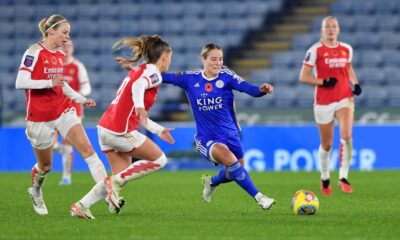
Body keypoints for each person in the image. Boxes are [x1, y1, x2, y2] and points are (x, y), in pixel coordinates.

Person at [116, 43, 276, 210]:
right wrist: (135, 69)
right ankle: (260, 198)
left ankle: (211, 181)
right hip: (207, 138)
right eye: (213, 59)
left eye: (220, 59)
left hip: (231, 135)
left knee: (235, 171)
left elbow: (249, 89)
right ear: (203, 59)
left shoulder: (227, 76)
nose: (218, 63)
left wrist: (261, 89)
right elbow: (162, 76)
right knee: (229, 159)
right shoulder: (190, 79)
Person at [69, 35, 175, 219]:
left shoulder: (139, 70)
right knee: (159, 160)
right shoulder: (154, 74)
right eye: (170, 58)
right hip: (120, 131)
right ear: (164, 57)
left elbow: (138, 112)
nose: (169, 62)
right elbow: (139, 87)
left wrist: (159, 130)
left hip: (105, 128)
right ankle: (114, 185)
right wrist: (141, 106)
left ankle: (81, 206)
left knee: (119, 177)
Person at [15, 14, 108, 216]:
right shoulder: (33, 52)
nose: (67, 38)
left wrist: (82, 99)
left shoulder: (59, 54)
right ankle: (36, 190)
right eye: (64, 33)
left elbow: (61, 85)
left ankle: (111, 195)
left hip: (63, 110)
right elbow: (20, 81)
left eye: (69, 34)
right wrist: (48, 83)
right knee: (46, 166)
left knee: (89, 152)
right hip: (39, 116)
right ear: (51, 31)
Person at [299, 16, 362, 195]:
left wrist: (355, 83)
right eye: (327, 27)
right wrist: (323, 81)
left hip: (344, 97)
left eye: (334, 26)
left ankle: (343, 176)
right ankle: (325, 177)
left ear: (339, 29)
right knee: (327, 144)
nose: (331, 30)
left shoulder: (346, 49)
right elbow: (303, 76)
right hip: (323, 101)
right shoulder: (315, 51)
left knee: (347, 135)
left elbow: (348, 68)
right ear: (322, 30)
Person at [53, 39, 93, 185]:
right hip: (52, 108)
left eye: (69, 45)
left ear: (73, 48)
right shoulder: (53, 65)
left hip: (73, 110)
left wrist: (79, 94)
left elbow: (86, 87)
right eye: (63, 45)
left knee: (67, 143)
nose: (66, 48)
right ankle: (60, 149)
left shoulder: (77, 66)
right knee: (51, 143)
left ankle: (66, 176)